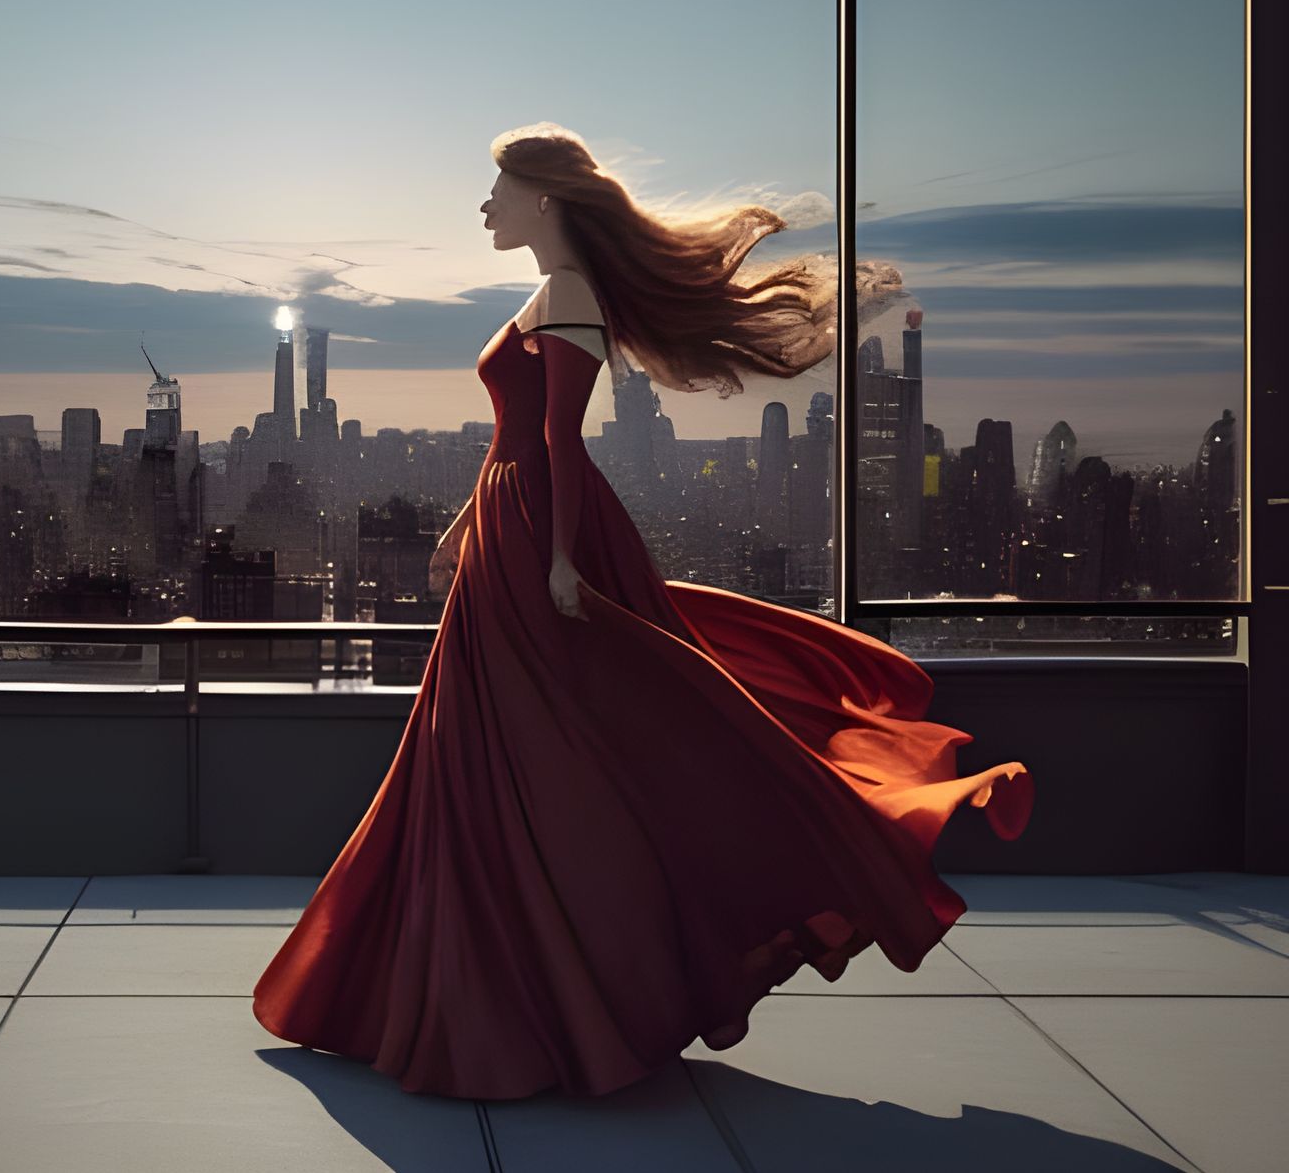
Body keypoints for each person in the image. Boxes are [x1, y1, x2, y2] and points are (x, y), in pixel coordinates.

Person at [252, 122, 1033, 1101]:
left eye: (499, 190)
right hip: (509, 527)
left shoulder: (569, 294)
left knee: (534, 751)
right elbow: (510, 438)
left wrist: (562, 561)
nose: (485, 206)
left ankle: (546, 996)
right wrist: (462, 524)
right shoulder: (548, 292)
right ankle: (487, 994)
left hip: (539, 534)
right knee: (475, 750)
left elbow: (559, 440)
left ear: (544, 197)